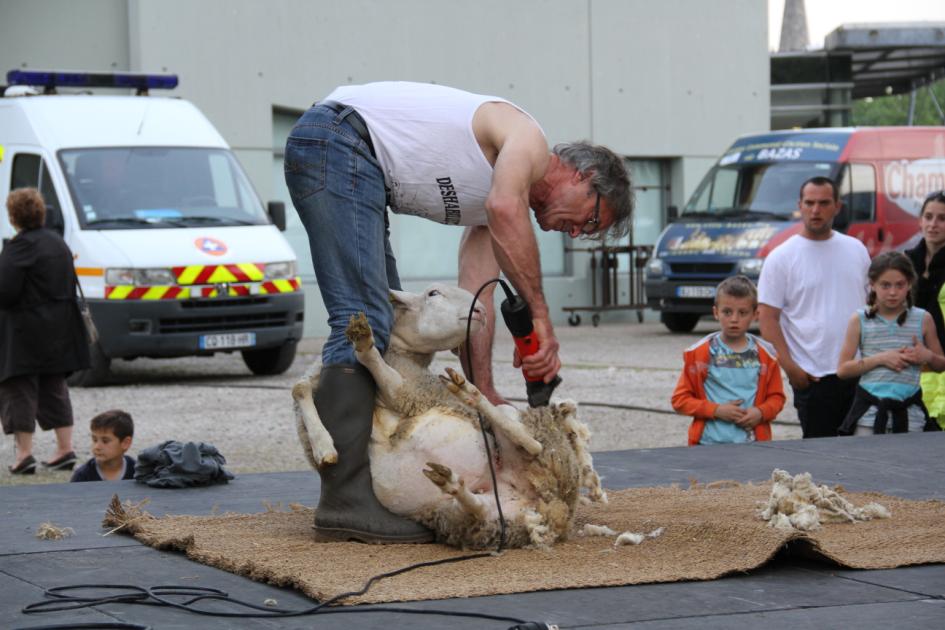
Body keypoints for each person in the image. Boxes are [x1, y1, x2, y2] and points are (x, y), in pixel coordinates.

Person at [284, 81, 633, 543]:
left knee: (382, 324)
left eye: (589, 234)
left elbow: (475, 306)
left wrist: (484, 392)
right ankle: (346, 502)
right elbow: (506, 206)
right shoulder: (527, 141)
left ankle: (366, 492)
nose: (576, 234)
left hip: (350, 157)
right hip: (338, 139)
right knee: (360, 319)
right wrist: (542, 321)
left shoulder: (495, 208)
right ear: (583, 177)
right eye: (591, 220)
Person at [758, 176, 870, 438]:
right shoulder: (782, 257)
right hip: (814, 375)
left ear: (837, 206)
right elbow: (767, 319)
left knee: (865, 455)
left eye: (823, 203)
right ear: (800, 205)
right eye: (809, 203)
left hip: (859, 371)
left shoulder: (856, 250)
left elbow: (872, 306)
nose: (816, 210)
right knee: (822, 457)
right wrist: (792, 369)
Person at [0, 188, 90, 475]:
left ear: (13, 215)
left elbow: (6, 291)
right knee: (54, 386)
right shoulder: (57, 242)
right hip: (60, 327)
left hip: (26, 329)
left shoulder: (19, 247)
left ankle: (24, 455)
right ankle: (65, 449)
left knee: (19, 386)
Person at [836, 252, 945, 435]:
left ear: (909, 284)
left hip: (911, 417)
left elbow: (941, 365)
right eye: (885, 285)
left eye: (899, 285)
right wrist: (880, 359)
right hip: (869, 417)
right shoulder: (859, 319)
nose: (893, 292)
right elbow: (843, 369)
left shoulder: (923, 319)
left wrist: (927, 356)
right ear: (872, 285)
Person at [671, 275, 785, 445]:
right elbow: (680, 400)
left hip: (754, 447)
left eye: (743, 313)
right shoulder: (699, 354)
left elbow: (777, 398)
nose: (734, 319)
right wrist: (716, 410)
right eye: (727, 312)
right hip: (707, 446)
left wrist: (761, 413)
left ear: (755, 314)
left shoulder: (767, 356)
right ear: (716, 312)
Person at [905, 190, 945, 430]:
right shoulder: (905, 262)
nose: (933, 224)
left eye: (941, 218)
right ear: (920, 220)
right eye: (928, 216)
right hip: (909, 370)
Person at [71, 409, 137, 482]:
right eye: (94, 440)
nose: (97, 447)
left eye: (105, 441)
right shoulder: (82, 476)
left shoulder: (138, 472)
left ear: (125, 443)